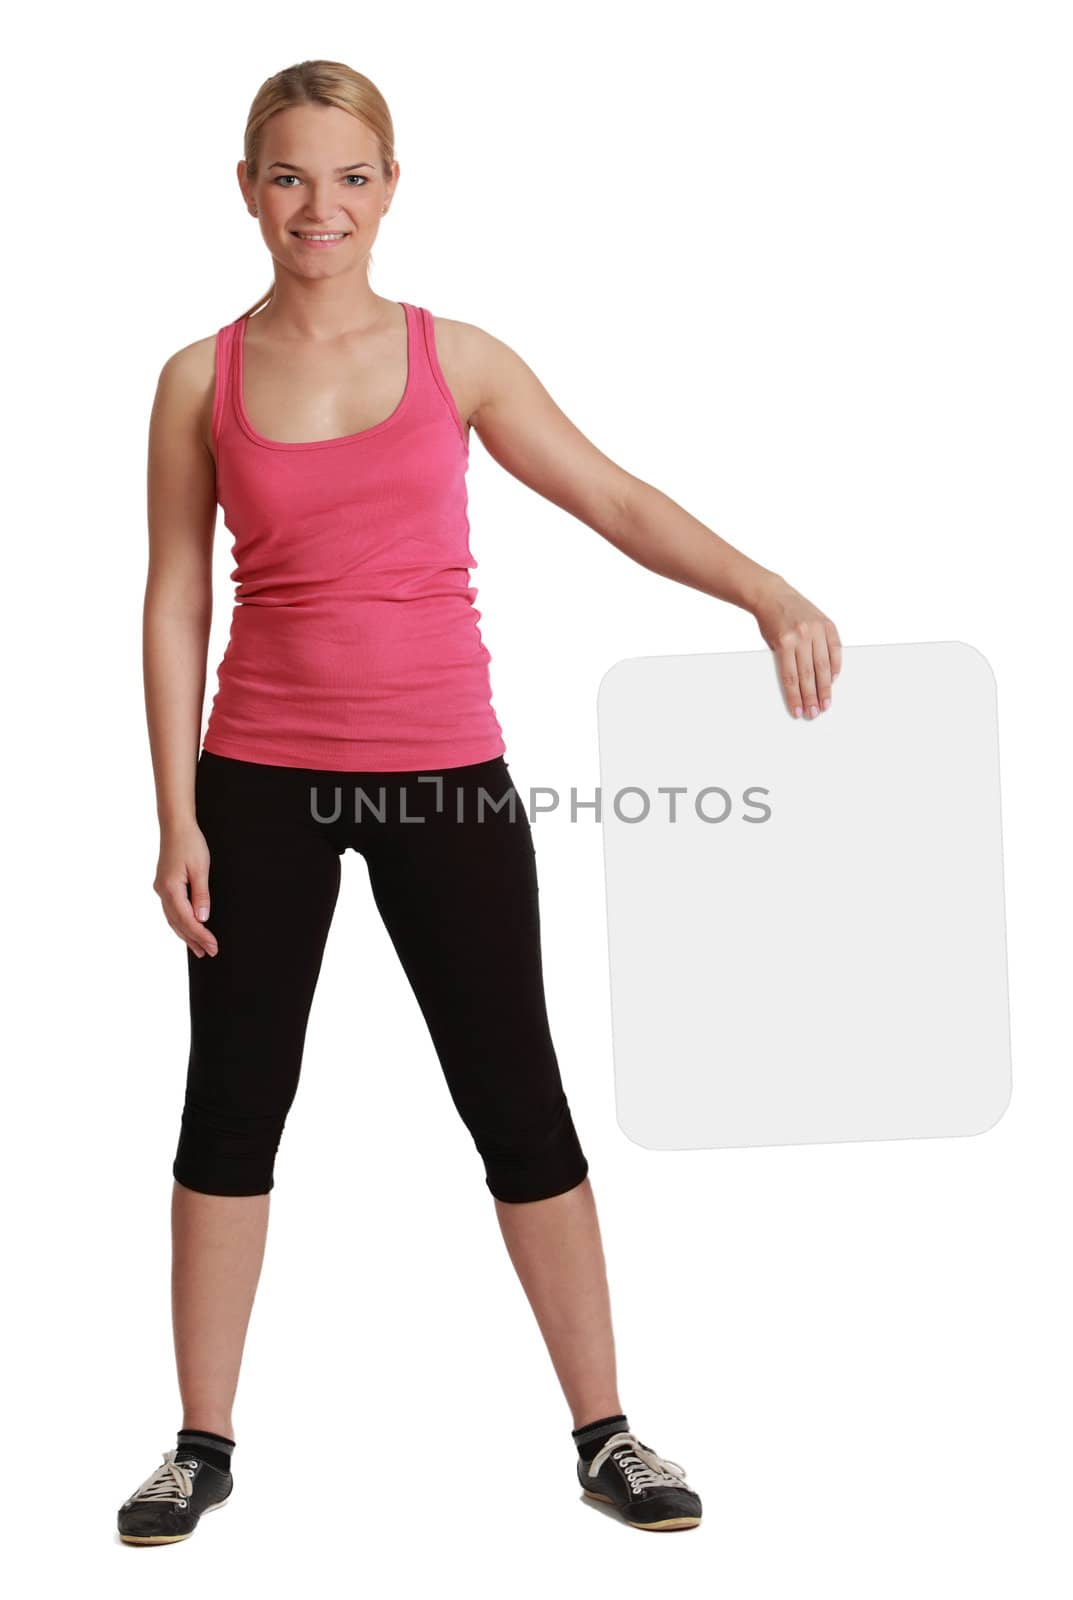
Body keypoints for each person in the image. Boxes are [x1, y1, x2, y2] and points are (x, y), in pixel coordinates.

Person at [120, 58, 841, 1547]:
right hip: (259, 781)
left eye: (351, 176)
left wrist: (762, 589)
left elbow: (614, 499)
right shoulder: (202, 376)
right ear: (246, 188)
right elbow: (176, 592)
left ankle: (607, 1433)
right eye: (288, 176)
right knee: (232, 1105)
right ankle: (198, 1443)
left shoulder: (463, 360)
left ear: (391, 187)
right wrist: (177, 810)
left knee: (515, 1097)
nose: (320, 206)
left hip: (445, 777)